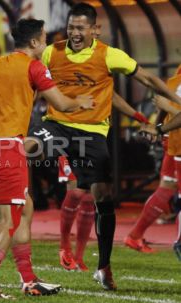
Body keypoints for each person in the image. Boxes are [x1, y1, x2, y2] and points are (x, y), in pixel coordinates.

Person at [28, 3, 181, 290]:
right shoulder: (51, 52)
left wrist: (174, 99)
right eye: (71, 27)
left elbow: (146, 79)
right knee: (27, 147)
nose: (74, 32)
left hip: (92, 133)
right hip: (57, 126)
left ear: (94, 29)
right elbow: (27, 75)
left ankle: (104, 267)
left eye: (80, 28)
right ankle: (26, 243)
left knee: (101, 197)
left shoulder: (109, 55)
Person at [0, 18, 93, 299]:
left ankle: (29, 279)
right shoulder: (34, 66)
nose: (45, 43)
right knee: (8, 220)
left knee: (25, 208)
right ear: (33, 42)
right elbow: (60, 103)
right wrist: (81, 101)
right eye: (43, 38)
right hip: (7, 149)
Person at [136, 66, 181, 256]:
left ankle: (135, 234)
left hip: (174, 141)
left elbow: (166, 106)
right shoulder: (175, 79)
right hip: (176, 142)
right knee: (168, 187)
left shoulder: (173, 80)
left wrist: (158, 127)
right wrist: (158, 128)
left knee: (167, 186)